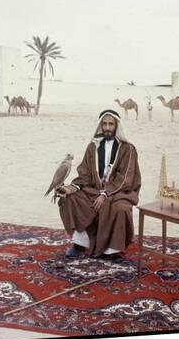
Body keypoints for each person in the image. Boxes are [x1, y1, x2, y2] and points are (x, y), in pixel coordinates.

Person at [57, 109, 141, 260]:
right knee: (73, 199)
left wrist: (105, 193)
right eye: (104, 124)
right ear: (100, 125)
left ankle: (111, 250)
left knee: (119, 208)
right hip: (94, 189)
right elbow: (85, 173)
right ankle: (79, 244)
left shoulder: (128, 149)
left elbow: (125, 178)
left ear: (116, 126)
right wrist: (72, 187)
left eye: (111, 124)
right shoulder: (93, 147)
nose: (107, 127)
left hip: (118, 192)